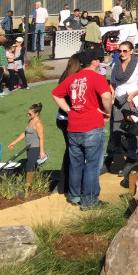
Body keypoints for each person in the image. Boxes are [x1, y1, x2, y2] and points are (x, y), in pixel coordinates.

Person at [52, 49, 113, 210]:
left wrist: (68, 110)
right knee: (92, 165)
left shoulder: (72, 78)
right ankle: (90, 200)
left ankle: (74, 195)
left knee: (76, 162)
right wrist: (107, 111)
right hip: (92, 124)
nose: (99, 61)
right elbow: (106, 96)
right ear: (94, 62)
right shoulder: (97, 77)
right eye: (98, 59)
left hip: (74, 125)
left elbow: (56, 94)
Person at [109, 40, 138, 160]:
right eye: (119, 51)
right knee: (115, 130)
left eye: (125, 51)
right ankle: (114, 157)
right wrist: (111, 98)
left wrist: (133, 94)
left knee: (131, 131)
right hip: (118, 102)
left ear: (131, 51)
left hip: (133, 102)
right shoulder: (116, 65)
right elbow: (113, 84)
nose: (122, 53)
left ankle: (132, 157)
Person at [53, 55, 81, 196]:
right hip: (69, 117)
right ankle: (67, 186)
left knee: (70, 150)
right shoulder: (73, 79)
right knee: (73, 151)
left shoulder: (64, 76)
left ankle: (64, 185)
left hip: (62, 117)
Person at [7, 103, 46, 191]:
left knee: (29, 166)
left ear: (37, 113)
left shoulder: (38, 123)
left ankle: (28, 187)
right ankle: (37, 183)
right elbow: (25, 133)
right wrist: (14, 142)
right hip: (28, 147)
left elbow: (41, 138)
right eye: (28, 113)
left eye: (30, 114)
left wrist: (41, 151)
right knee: (33, 166)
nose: (28, 115)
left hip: (35, 148)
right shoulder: (30, 121)